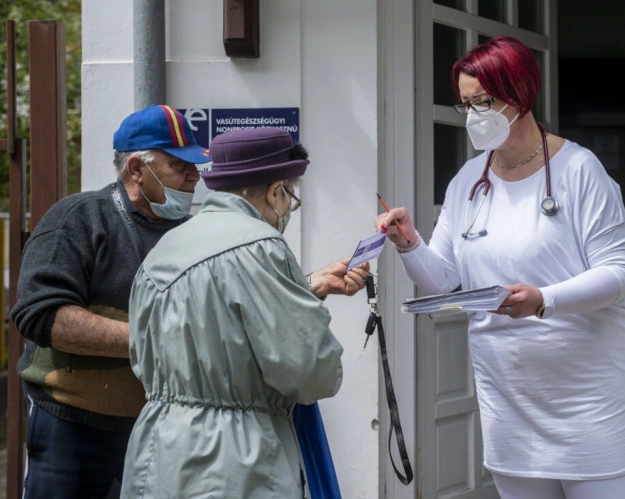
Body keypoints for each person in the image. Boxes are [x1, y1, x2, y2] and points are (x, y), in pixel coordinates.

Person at [375, 36, 625, 499]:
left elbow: (619, 273)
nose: (475, 114)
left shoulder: (580, 170)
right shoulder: (468, 183)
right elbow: (443, 281)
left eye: (486, 101)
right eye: (466, 104)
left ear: (520, 94)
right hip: (511, 399)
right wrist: (408, 244)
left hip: (590, 399)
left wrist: (545, 301)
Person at [120, 127, 370, 498]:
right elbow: (311, 372)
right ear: (275, 192)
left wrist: (305, 289)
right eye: (290, 199)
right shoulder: (261, 245)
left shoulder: (166, 247)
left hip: (158, 453)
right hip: (234, 461)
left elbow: (143, 353)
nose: (287, 210)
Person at [10, 104, 213, 498]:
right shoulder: (75, 220)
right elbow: (43, 315)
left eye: (195, 165)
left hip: (158, 427)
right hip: (71, 428)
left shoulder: (192, 232)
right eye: (179, 165)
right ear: (137, 169)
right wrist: (153, 338)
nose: (195, 176)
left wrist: (310, 286)